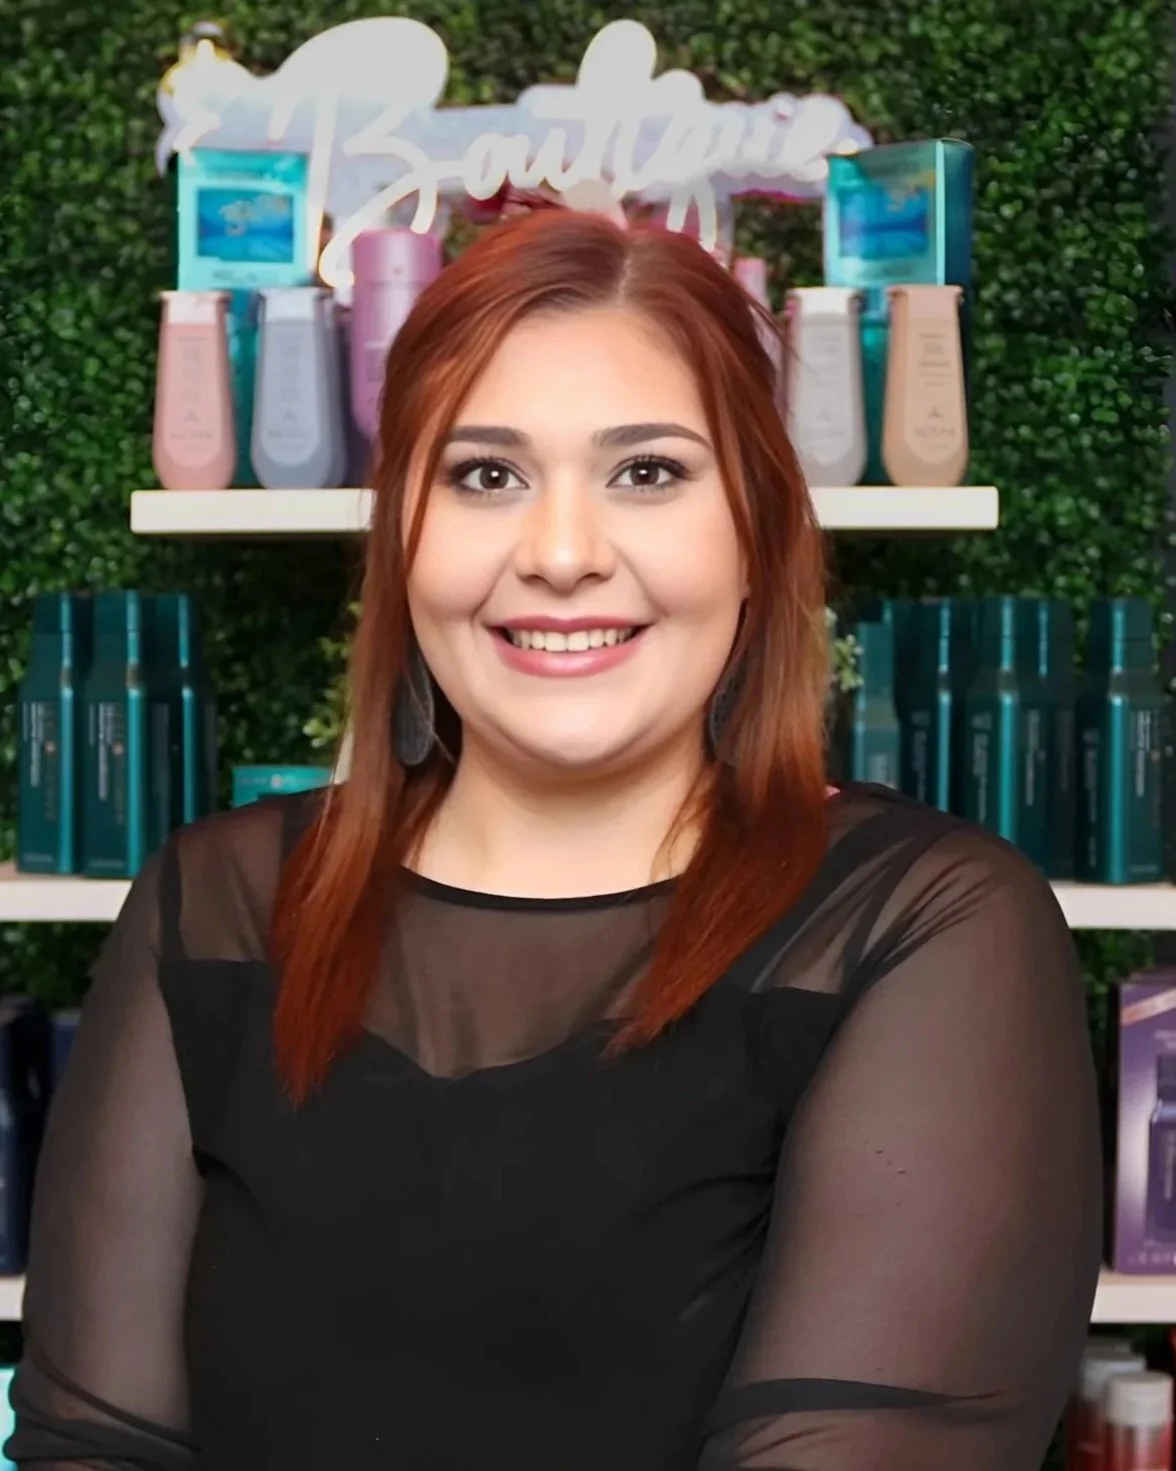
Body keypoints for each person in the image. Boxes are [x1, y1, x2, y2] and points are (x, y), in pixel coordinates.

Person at [8, 205, 1100, 1470]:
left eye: (648, 472)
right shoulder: (214, 907)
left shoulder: (923, 924)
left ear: (756, 526)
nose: (563, 553)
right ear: (401, 536)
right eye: (486, 475)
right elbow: (92, 1444)